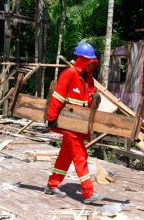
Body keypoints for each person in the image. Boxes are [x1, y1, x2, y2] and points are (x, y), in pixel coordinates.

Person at [44, 42, 106, 204]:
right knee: (80, 155)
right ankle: (88, 192)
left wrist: (96, 101)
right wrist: (52, 119)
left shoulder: (89, 80)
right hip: (68, 124)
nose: (90, 65)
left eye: (92, 63)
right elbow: (58, 97)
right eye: (88, 62)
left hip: (80, 124)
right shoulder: (69, 74)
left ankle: (52, 185)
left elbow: (91, 105)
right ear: (81, 60)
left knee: (66, 155)